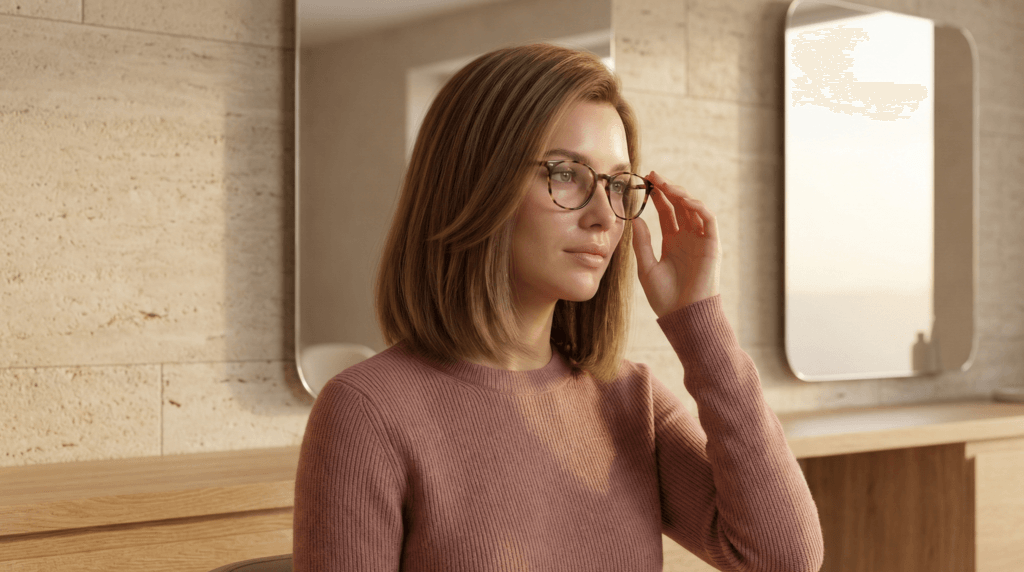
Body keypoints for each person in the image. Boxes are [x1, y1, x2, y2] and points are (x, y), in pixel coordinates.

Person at [294, 43, 824, 572]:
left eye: (617, 183)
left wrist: (698, 322)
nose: (604, 216)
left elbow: (784, 557)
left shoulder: (628, 400)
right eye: (567, 173)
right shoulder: (367, 413)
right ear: (477, 182)